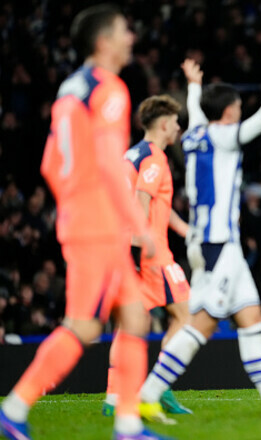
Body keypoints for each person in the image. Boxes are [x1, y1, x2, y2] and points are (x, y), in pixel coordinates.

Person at [0, 4, 170, 440]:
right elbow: (111, 165)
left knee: (134, 317)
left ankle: (128, 425)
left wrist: (74, 203)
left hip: (84, 217)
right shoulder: (109, 88)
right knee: (84, 325)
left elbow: (49, 163)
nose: (131, 38)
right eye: (124, 31)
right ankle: (14, 408)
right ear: (103, 41)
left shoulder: (71, 87)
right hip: (99, 224)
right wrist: (138, 225)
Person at [138, 54, 261, 422]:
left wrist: (194, 85)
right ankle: (148, 395)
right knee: (204, 322)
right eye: (238, 107)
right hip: (217, 244)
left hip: (220, 244)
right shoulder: (223, 136)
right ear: (228, 112)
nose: (241, 112)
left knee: (251, 317)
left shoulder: (194, 133)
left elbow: (197, 110)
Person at [103, 95, 192, 418]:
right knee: (186, 315)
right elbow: (142, 200)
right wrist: (141, 242)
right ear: (165, 124)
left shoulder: (132, 154)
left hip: (124, 247)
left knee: (130, 323)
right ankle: (159, 387)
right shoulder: (154, 158)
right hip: (151, 252)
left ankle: (113, 398)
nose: (179, 128)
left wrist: (184, 229)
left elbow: (154, 204)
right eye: (176, 122)